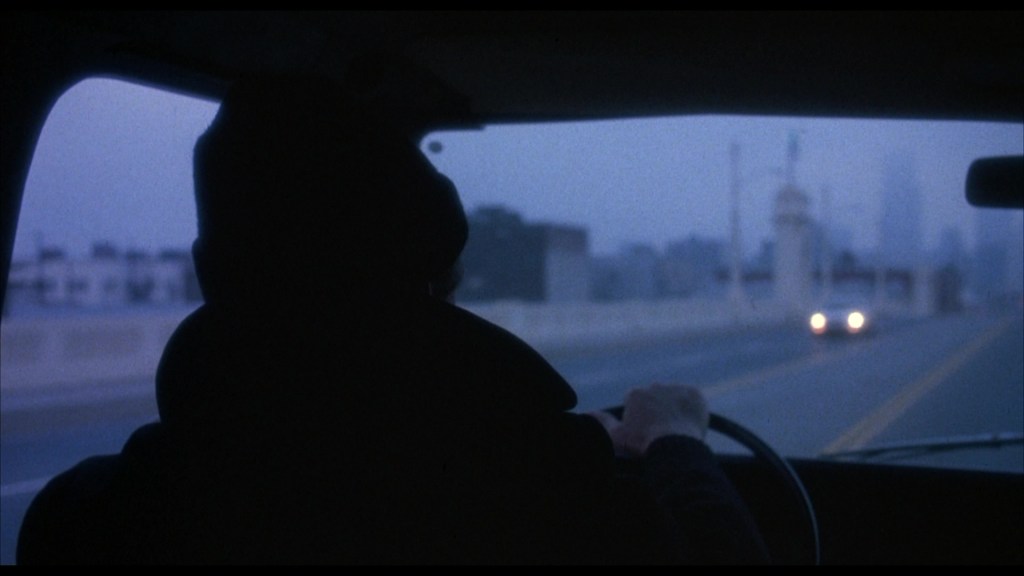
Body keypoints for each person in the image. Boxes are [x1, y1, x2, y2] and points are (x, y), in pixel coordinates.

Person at [17, 75, 769, 565]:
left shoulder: (85, 518)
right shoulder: (543, 497)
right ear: (443, 272)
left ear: (213, 269)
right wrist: (674, 443)